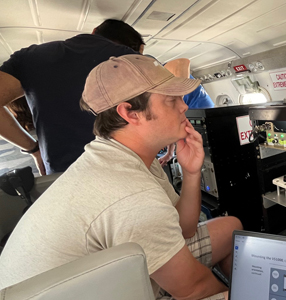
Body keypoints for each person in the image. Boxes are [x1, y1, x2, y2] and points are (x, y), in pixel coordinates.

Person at [0, 55, 241, 300]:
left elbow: (184, 229)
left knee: (231, 227)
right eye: (171, 100)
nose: (184, 106)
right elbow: (193, 289)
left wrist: (191, 172)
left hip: (100, 276)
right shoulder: (131, 194)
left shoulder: (122, 154)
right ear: (129, 112)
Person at [0, 19, 143, 175]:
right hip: (125, 170)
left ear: (94, 31)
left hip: (64, 176)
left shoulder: (30, 58)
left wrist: (33, 148)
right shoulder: (133, 61)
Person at [159, 58, 214, 166]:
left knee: (206, 157)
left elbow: (172, 118)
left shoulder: (171, 75)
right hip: (204, 112)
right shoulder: (171, 73)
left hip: (200, 114)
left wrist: (169, 152)